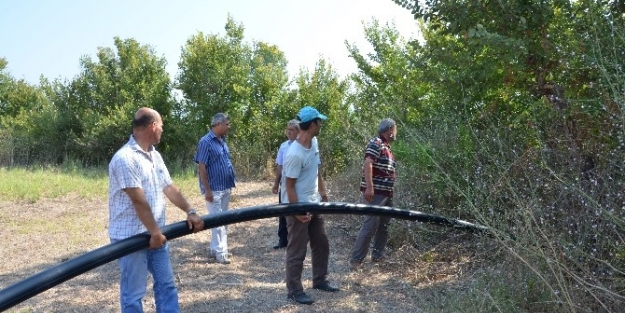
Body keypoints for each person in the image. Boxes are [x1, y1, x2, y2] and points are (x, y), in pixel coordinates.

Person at [108, 107, 204, 313]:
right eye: (161, 126)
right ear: (152, 126)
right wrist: (155, 233)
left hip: (156, 235)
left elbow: (168, 187)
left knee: (166, 284)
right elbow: (138, 200)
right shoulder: (125, 158)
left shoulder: (155, 156)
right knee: (133, 294)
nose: (162, 130)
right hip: (131, 238)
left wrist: (190, 210)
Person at [282, 106, 340, 305]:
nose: (321, 125)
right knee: (297, 250)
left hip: (314, 203)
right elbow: (288, 186)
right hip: (297, 206)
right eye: (319, 122)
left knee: (321, 243)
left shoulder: (314, 143)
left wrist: (322, 191)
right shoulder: (294, 154)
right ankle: (295, 291)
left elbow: (316, 169)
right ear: (313, 124)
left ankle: (320, 280)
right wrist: (296, 212)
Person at [349, 118, 398, 268]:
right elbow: (368, 163)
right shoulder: (376, 143)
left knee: (384, 225)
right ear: (390, 130)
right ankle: (356, 260)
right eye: (395, 130)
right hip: (376, 193)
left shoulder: (386, 146)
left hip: (386, 193)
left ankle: (378, 256)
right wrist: (370, 188)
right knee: (370, 224)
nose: (395, 133)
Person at [194, 113, 236, 264]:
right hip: (214, 189)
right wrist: (207, 190)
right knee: (217, 222)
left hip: (225, 187)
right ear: (218, 124)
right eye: (226, 124)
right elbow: (202, 167)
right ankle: (220, 252)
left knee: (223, 221)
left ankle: (217, 248)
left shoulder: (222, 141)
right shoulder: (205, 142)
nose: (228, 127)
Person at [271, 119, 300, 249]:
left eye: (292, 130)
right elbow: (280, 166)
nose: (289, 132)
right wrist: (276, 183)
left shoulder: (303, 146)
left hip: (299, 184)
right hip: (285, 184)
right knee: (283, 211)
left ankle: (297, 240)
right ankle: (283, 240)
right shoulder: (284, 146)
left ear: (299, 131)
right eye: (287, 129)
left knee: (298, 211)